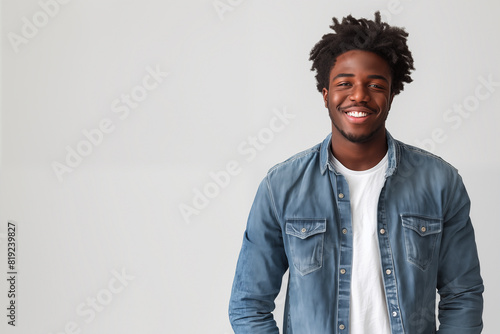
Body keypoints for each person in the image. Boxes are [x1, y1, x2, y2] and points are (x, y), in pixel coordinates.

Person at [228, 12, 484, 334]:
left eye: (375, 85)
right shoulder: (281, 187)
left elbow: (462, 295)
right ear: (325, 95)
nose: (359, 95)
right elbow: (248, 304)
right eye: (345, 83)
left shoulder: (440, 183)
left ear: (391, 96)